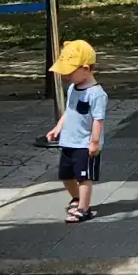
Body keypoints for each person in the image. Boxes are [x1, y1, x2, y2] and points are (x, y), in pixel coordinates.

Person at [43, 39, 107, 224]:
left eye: (70, 72)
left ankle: (84, 209)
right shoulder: (73, 88)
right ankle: (77, 198)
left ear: (86, 69)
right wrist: (58, 127)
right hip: (69, 141)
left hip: (84, 143)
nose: (66, 76)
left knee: (83, 177)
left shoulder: (96, 94)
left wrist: (94, 142)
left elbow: (98, 119)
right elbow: (69, 111)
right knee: (65, 175)